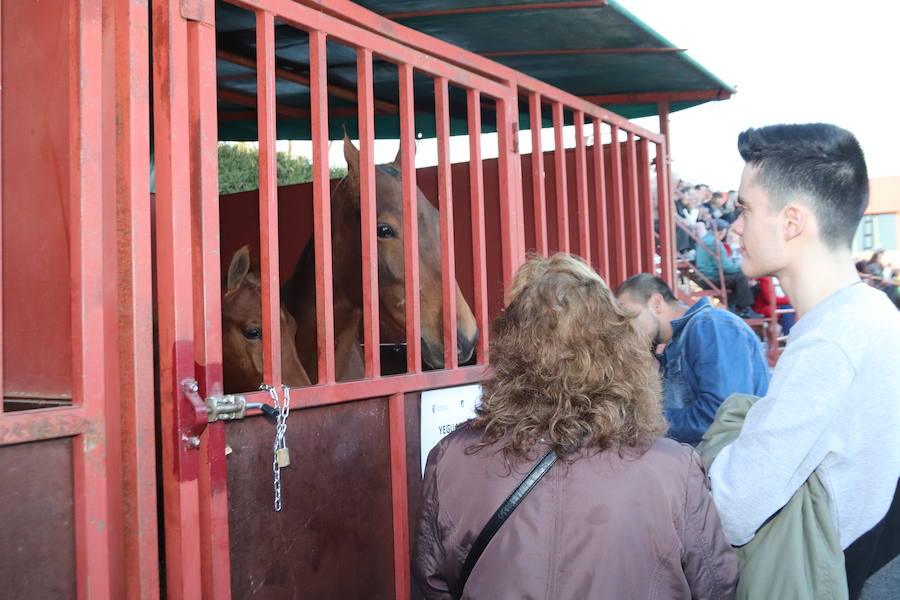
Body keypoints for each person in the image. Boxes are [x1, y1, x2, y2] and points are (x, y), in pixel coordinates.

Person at [413, 254, 738, 600]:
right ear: (619, 351)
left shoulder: (452, 457)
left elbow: (433, 582)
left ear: (510, 350)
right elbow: (716, 586)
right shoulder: (673, 469)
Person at [708, 123, 900, 598]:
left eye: (745, 209)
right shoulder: (873, 310)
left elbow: (732, 508)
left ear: (792, 222)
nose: (735, 227)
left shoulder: (829, 344)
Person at [616, 273, 770, 446]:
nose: (627, 328)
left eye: (630, 317)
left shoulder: (710, 324)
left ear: (656, 303)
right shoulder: (677, 344)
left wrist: (640, 425)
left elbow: (721, 416)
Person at [694, 218, 764, 319]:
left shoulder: (705, 239)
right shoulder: (714, 242)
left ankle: (734, 306)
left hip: (704, 277)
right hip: (710, 278)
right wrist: (744, 268)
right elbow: (726, 266)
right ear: (722, 231)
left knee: (739, 278)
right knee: (741, 277)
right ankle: (744, 309)